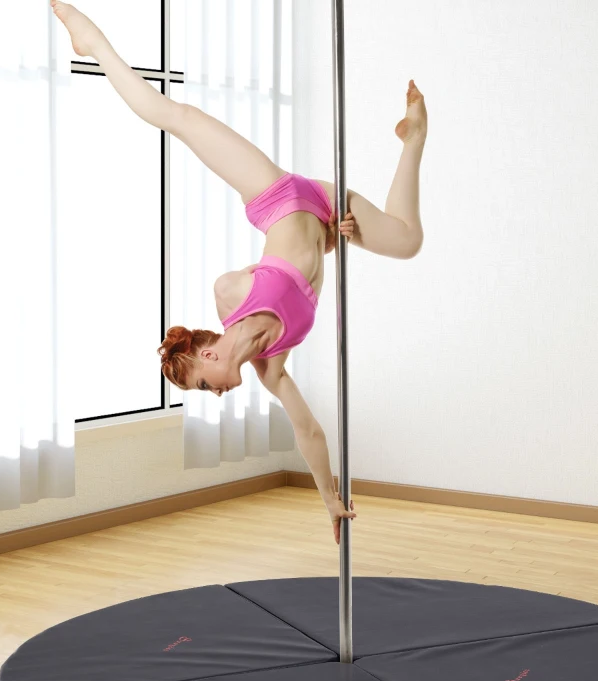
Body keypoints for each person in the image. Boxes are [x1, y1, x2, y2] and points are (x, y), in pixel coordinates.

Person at [51, 1, 428, 544]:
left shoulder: (229, 294)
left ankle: (92, 40)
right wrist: (330, 498)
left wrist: (315, 244)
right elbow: (310, 430)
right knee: (407, 240)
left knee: (171, 115)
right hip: (326, 209)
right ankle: (414, 137)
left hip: (274, 194)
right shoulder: (271, 369)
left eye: (204, 385)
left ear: (207, 355)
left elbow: (279, 260)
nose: (216, 393)